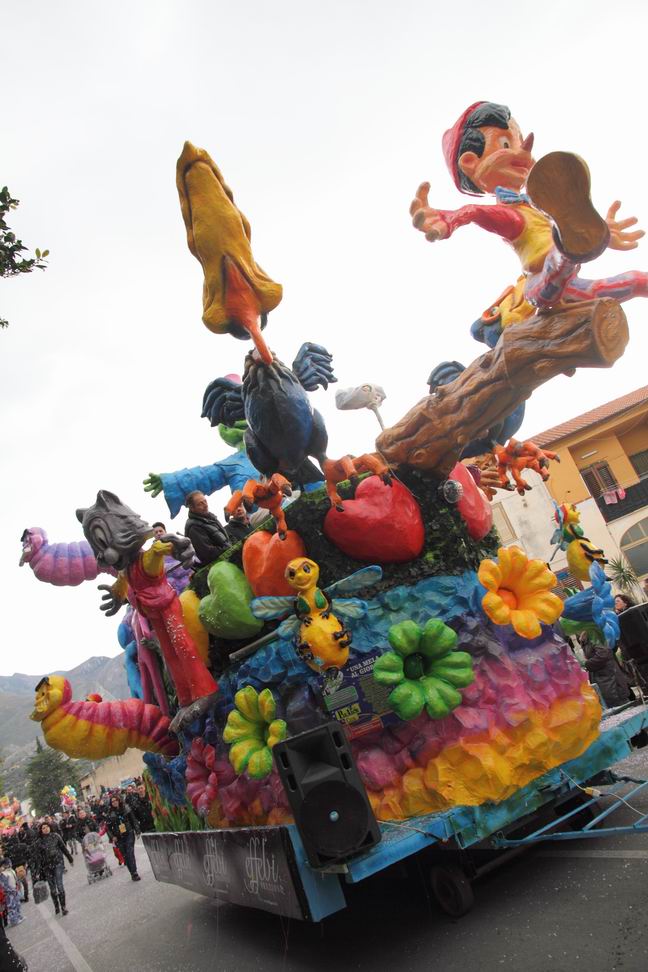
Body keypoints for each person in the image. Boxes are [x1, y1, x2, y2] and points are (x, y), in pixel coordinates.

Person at [579, 632, 631, 708]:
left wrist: (586, 664)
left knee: (621, 706)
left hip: (610, 681)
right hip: (604, 680)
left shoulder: (593, 635)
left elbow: (603, 654)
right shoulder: (586, 638)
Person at [32, 822, 72, 916]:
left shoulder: (56, 836)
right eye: (43, 828)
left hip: (58, 864)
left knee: (59, 885)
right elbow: (37, 858)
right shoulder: (39, 842)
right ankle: (56, 906)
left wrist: (70, 859)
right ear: (41, 830)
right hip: (47, 867)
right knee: (53, 889)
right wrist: (37, 871)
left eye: (47, 827)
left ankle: (63, 907)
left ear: (50, 827)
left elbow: (63, 848)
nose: (46, 829)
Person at [183, 491, 231, 568]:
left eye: (205, 501)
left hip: (227, 561)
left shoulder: (211, 518)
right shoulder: (194, 528)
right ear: (192, 508)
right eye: (200, 504)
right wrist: (228, 548)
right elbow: (208, 553)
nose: (205, 505)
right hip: (219, 567)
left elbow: (225, 539)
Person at [105, 796, 140, 881]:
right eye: (112, 801)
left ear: (119, 800)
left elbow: (133, 820)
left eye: (116, 800)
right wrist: (112, 837)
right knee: (125, 856)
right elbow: (108, 828)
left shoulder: (126, 808)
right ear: (111, 803)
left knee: (130, 853)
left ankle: (134, 872)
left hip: (129, 833)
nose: (114, 802)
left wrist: (137, 830)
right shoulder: (110, 814)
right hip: (118, 837)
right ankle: (132, 872)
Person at [0, 860, 24, 928]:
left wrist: (18, 885)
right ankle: (14, 920)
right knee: (11, 906)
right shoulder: (3, 874)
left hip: (15, 890)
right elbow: (4, 885)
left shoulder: (11, 871)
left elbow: (16, 879)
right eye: (8, 863)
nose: (10, 864)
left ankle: (18, 916)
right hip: (9, 894)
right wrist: (10, 890)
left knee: (17, 904)